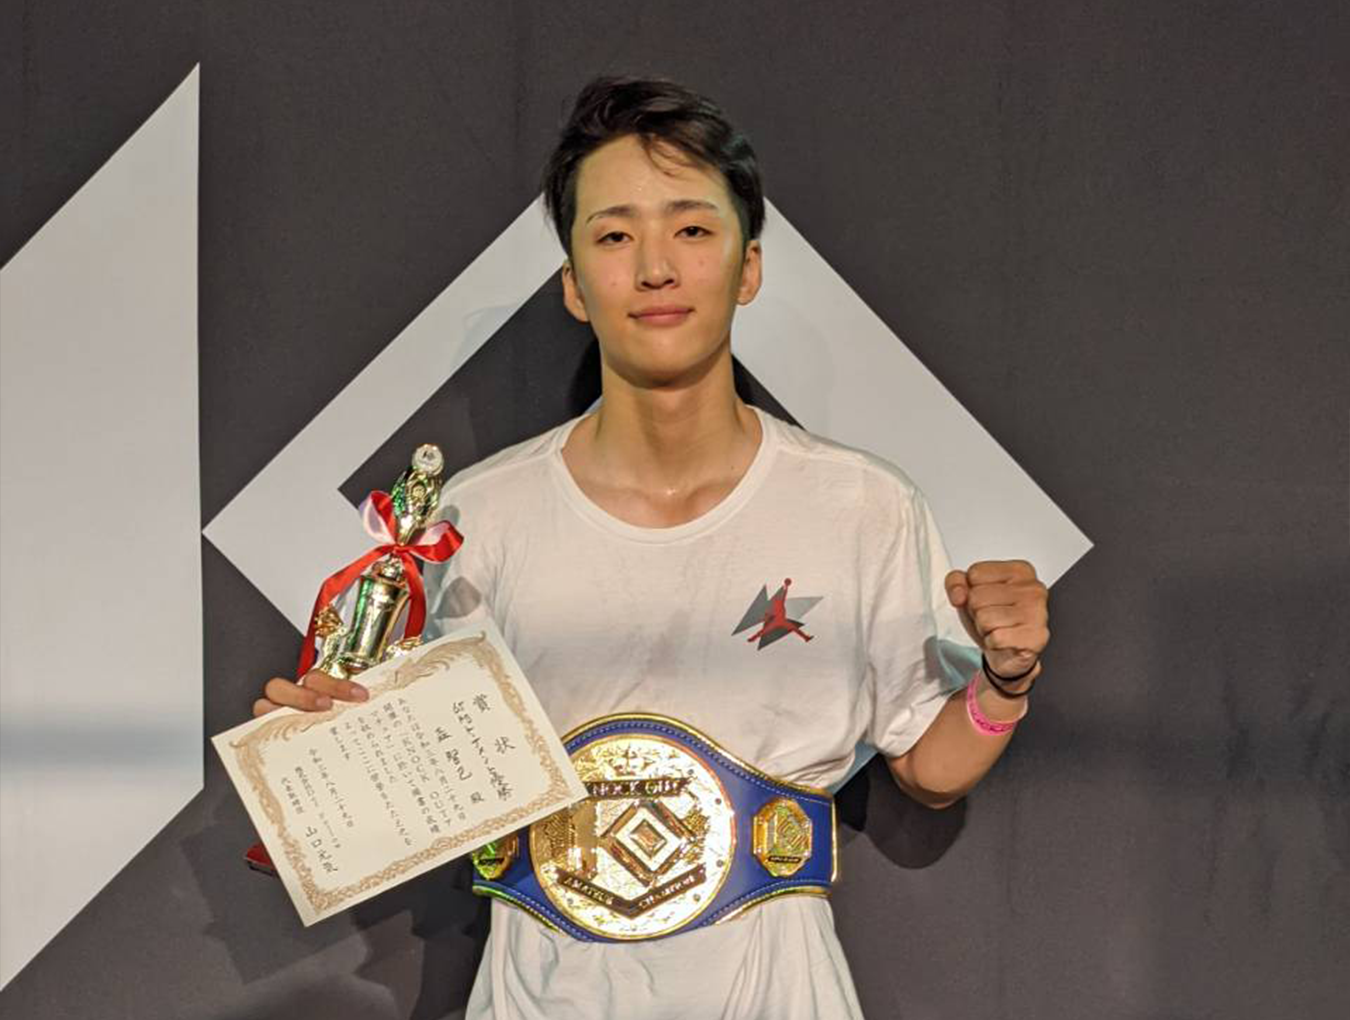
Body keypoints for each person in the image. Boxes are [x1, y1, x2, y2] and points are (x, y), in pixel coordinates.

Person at [254, 76, 1051, 1020]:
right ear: (574, 285)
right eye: (614, 236)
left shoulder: (860, 504)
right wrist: (324, 752)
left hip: (774, 989)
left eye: (692, 228)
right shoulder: (477, 516)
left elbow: (929, 766)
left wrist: (1004, 681)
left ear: (748, 268)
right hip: (537, 990)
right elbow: (420, 789)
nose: (657, 268)